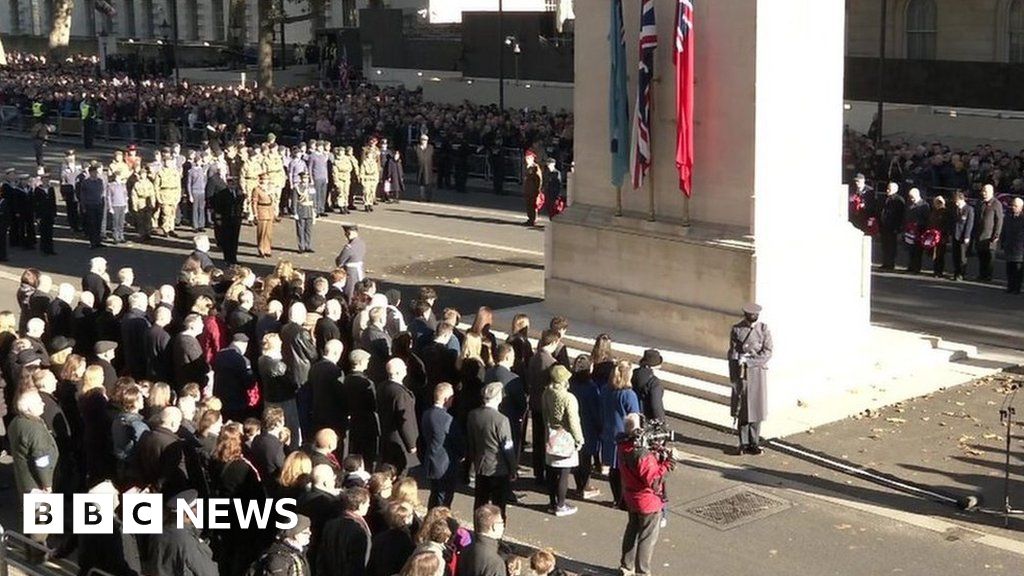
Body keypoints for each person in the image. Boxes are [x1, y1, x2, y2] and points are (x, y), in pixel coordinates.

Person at [618, 413, 672, 576]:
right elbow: (654, 480)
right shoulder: (642, 455)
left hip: (631, 496)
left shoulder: (623, 445)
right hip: (648, 501)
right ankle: (643, 572)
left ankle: (626, 566)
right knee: (647, 537)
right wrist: (670, 463)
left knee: (632, 530)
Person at [466, 382, 517, 520]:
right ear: (498, 397)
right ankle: (497, 535)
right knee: (499, 506)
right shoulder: (501, 420)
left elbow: (471, 442)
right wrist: (513, 468)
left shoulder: (473, 415)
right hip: (498, 469)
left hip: (480, 466)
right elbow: (508, 447)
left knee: (480, 503)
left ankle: (479, 530)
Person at [728, 303, 773, 455]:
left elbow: (767, 352)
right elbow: (732, 351)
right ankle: (743, 442)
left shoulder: (763, 329)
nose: (753, 317)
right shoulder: (737, 329)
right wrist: (736, 368)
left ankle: (754, 442)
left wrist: (750, 361)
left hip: (757, 372)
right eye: (750, 315)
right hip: (742, 373)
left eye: (755, 315)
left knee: (756, 408)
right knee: (743, 409)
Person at [145, 490, 219, 576]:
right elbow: (209, 573)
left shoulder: (158, 533)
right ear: (188, 514)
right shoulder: (187, 541)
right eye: (196, 507)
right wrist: (202, 546)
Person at [542, 365, 583, 517]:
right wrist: (579, 439)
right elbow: (573, 421)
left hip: (551, 435)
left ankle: (552, 503)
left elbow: (545, 414)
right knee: (564, 474)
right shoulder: (568, 398)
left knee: (552, 472)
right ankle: (561, 505)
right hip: (565, 436)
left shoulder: (546, 393)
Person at [601, 360, 640, 506]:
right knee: (625, 470)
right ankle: (624, 501)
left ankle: (616, 498)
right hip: (625, 435)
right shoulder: (629, 395)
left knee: (614, 468)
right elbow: (634, 418)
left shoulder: (606, 389)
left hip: (609, 432)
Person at [281, 302, 318, 442]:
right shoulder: (301, 332)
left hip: (290, 370)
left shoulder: (284, 329)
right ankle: (304, 435)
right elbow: (312, 354)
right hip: (303, 373)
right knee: (304, 406)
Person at [377, 358, 420, 475]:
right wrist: (411, 444)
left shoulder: (382, 387)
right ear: (398, 372)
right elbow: (405, 420)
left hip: (387, 437)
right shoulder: (401, 394)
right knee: (400, 474)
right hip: (399, 441)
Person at [317, 487, 372, 576]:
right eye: (368, 503)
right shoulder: (359, 529)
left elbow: (322, 556)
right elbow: (358, 563)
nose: (369, 506)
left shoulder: (330, 524)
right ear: (361, 505)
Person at [420, 382, 459, 508]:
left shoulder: (426, 414)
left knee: (434, 495)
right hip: (444, 464)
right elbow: (456, 441)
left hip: (431, 461)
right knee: (444, 499)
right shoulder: (447, 419)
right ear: (446, 399)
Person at [342, 349, 380, 465]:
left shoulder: (346, 379)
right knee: (368, 454)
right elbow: (373, 404)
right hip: (367, 422)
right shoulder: (366, 382)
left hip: (354, 421)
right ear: (361, 362)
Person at [248, 514, 313, 576]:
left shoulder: (298, 554)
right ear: (294, 534)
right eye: (305, 532)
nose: (310, 534)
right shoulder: (279, 559)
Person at [457, 504, 506, 576]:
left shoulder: (465, 549)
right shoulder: (496, 563)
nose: (503, 526)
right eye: (501, 522)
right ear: (494, 526)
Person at [209, 165, 244, 264]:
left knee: (235, 240)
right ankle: (227, 258)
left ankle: (234, 258)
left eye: (234, 183)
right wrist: (218, 217)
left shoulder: (238, 193)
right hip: (226, 219)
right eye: (231, 183)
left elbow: (239, 205)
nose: (233, 185)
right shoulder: (222, 194)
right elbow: (218, 206)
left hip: (236, 219)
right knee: (227, 240)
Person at [976, 184, 1005, 282]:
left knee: (989, 258)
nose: (984, 193)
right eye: (983, 191)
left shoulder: (996, 204)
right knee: (981, 256)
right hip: (980, 234)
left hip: (990, 236)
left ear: (991, 192)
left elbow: (999, 220)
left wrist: (996, 234)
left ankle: (988, 276)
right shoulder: (980, 203)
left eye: (986, 191)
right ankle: (981, 274)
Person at [631, 349, 666, 423]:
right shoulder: (654, 383)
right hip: (646, 418)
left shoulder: (634, 374)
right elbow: (656, 406)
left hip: (633, 415)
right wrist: (662, 422)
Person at [154, 152, 183, 237]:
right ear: (163, 162)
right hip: (164, 194)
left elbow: (178, 185)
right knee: (166, 213)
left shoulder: (175, 172)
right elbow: (156, 186)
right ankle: (165, 229)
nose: (168, 163)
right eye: (166, 161)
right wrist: (158, 197)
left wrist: (178, 196)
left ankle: (171, 228)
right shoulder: (160, 172)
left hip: (173, 194)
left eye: (169, 161)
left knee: (172, 214)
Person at [878, 182, 905, 270]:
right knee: (884, 245)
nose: (887, 190)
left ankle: (891, 263)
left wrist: (898, 228)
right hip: (884, 226)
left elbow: (900, 215)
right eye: (887, 188)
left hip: (892, 227)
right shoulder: (885, 198)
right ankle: (885, 262)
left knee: (891, 246)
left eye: (889, 189)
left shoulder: (899, 200)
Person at [336, 225, 366, 299]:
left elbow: (340, 261)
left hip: (351, 272)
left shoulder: (349, 247)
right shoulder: (362, 243)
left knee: (350, 292)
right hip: (360, 271)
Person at [903, 188, 930, 274]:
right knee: (910, 249)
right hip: (910, 231)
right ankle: (911, 266)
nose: (911, 199)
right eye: (910, 197)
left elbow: (926, 219)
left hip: (919, 230)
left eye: (913, 197)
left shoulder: (924, 205)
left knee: (918, 251)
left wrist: (918, 225)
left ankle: (917, 268)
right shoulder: (909, 204)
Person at [950, 191, 974, 282]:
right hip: (955, 235)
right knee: (955, 256)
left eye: (957, 201)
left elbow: (969, 224)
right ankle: (956, 272)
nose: (956, 203)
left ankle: (961, 273)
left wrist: (967, 236)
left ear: (962, 199)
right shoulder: (955, 209)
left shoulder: (969, 209)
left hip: (963, 236)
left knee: (962, 257)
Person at [80, 165, 106, 248]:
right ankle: (92, 242)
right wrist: (83, 206)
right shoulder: (86, 182)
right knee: (92, 224)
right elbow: (83, 195)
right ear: (90, 173)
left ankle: (98, 241)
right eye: (93, 172)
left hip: (99, 204)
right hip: (90, 205)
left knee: (98, 223)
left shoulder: (100, 181)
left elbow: (102, 192)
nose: (95, 174)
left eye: (96, 172)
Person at [1001, 197, 1024, 294]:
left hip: (1020, 247)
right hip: (1009, 245)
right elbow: (1004, 230)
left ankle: (1017, 287)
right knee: (1009, 268)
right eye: (1012, 205)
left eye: (1016, 206)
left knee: (1018, 269)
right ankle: (1010, 286)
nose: (1013, 207)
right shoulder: (1008, 216)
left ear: (1021, 207)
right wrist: (1003, 242)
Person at [130, 166, 157, 242]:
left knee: (148, 219)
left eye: (144, 174)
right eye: (142, 174)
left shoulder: (149, 183)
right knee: (140, 219)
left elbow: (152, 194)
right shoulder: (137, 184)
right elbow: (133, 195)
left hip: (148, 202)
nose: (143, 175)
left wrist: (153, 203)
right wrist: (134, 205)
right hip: (140, 201)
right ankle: (142, 234)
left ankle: (148, 233)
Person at [32, 175, 58, 255]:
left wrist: (55, 214)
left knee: (50, 232)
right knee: (43, 232)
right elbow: (35, 203)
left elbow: (53, 202)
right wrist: (37, 216)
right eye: (44, 179)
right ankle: (43, 249)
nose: (46, 181)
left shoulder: (51, 189)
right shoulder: (38, 189)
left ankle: (50, 249)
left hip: (50, 213)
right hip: (42, 214)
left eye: (47, 179)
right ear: (42, 180)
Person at [253, 174, 276, 258]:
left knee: (268, 232)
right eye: (263, 180)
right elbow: (254, 202)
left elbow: (274, 200)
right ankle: (261, 248)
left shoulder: (270, 189)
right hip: (261, 209)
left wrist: (274, 211)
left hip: (269, 210)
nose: (265, 181)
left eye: (266, 179)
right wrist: (255, 213)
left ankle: (267, 248)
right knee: (261, 231)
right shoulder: (257, 189)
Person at [294, 173, 318, 253]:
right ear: (301, 179)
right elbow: (295, 201)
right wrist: (295, 212)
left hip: (309, 210)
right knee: (300, 229)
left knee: (308, 230)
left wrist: (315, 210)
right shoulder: (297, 188)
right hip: (301, 209)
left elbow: (314, 199)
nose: (305, 180)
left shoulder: (311, 187)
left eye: (307, 178)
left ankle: (308, 245)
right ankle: (301, 246)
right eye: (304, 178)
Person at [927, 196, 950, 278]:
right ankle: (935, 270)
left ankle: (939, 271)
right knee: (934, 254)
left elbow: (947, 225)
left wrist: (941, 232)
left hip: (942, 236)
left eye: (939, 202)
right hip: (933, 236)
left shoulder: (945, 212)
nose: (937, 204)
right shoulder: (933, 211)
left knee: (940, 254)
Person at [522, 151, 542, 226]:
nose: (527, 159)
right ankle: (530, 218)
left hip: (533, 190)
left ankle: (533, 219)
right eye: (526, 158)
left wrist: (538, 190)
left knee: (533, 205)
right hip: (527, 189)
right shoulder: (527, 166)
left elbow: (539, 179)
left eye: (529, 158)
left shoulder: (535, 167)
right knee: (528, 205)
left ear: (532, 158)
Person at [415, 134, 435, 201]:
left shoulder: (430, 148)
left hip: (428, 168)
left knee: (428, 183)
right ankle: (421, 197)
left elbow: (433, 157)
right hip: (420, 168)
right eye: (422, 139)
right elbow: (414, 157)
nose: (424, 141)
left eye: (425, 140)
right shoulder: (417, 148)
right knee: (421, 184)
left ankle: (428, 198)